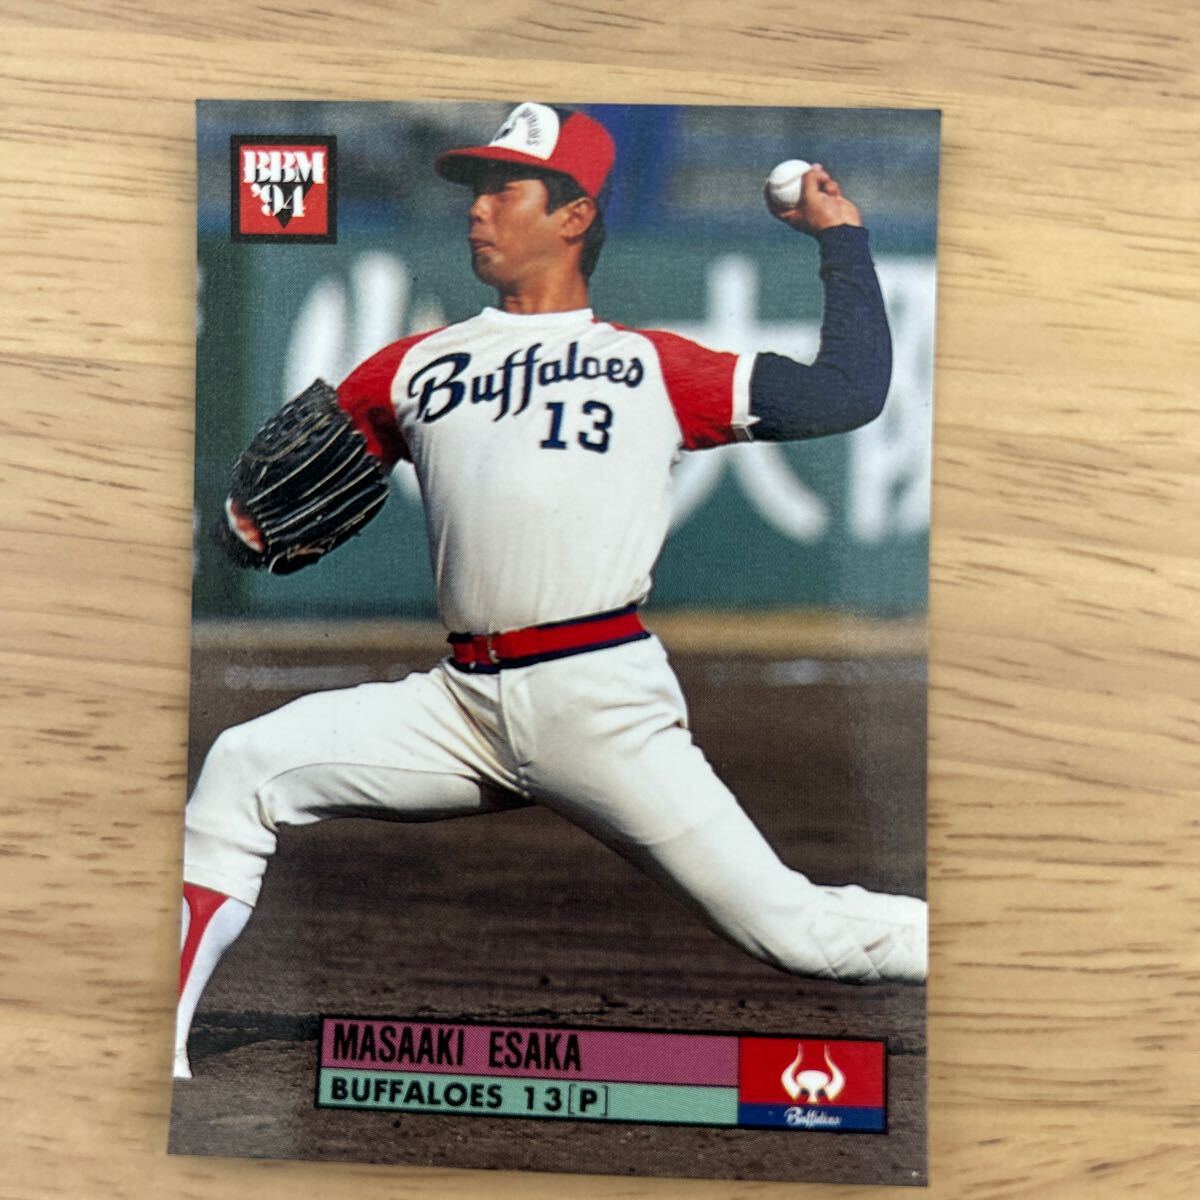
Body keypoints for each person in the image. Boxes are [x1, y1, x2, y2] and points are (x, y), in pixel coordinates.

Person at [175, 103, 926, 1081]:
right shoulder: (414, 364)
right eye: (474, 189)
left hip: (598, 704)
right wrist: (238, 533)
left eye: (505, 188)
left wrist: (841, 239)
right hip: (457, 708)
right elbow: (279, 499)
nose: (478, 208)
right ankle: (163, 1046)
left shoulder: (652, 366)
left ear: (574, 216)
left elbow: (847, 391)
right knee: (244, 765)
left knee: (800, 934)